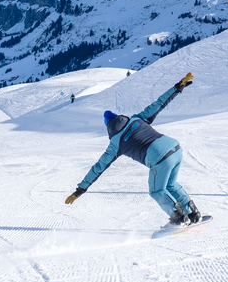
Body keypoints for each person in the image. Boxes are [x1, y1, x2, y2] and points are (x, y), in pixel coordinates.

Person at [65, 73, 201, 227]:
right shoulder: (137, 119)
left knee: (157, 191)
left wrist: (80, 189)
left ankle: (179, 218)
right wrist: (177, 87)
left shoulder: (116, 143)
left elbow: (98, 167)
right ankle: (192, 213)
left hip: (160, 157)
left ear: (108, 128)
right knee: (170, 185)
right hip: (175, 148)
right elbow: (158, 104)